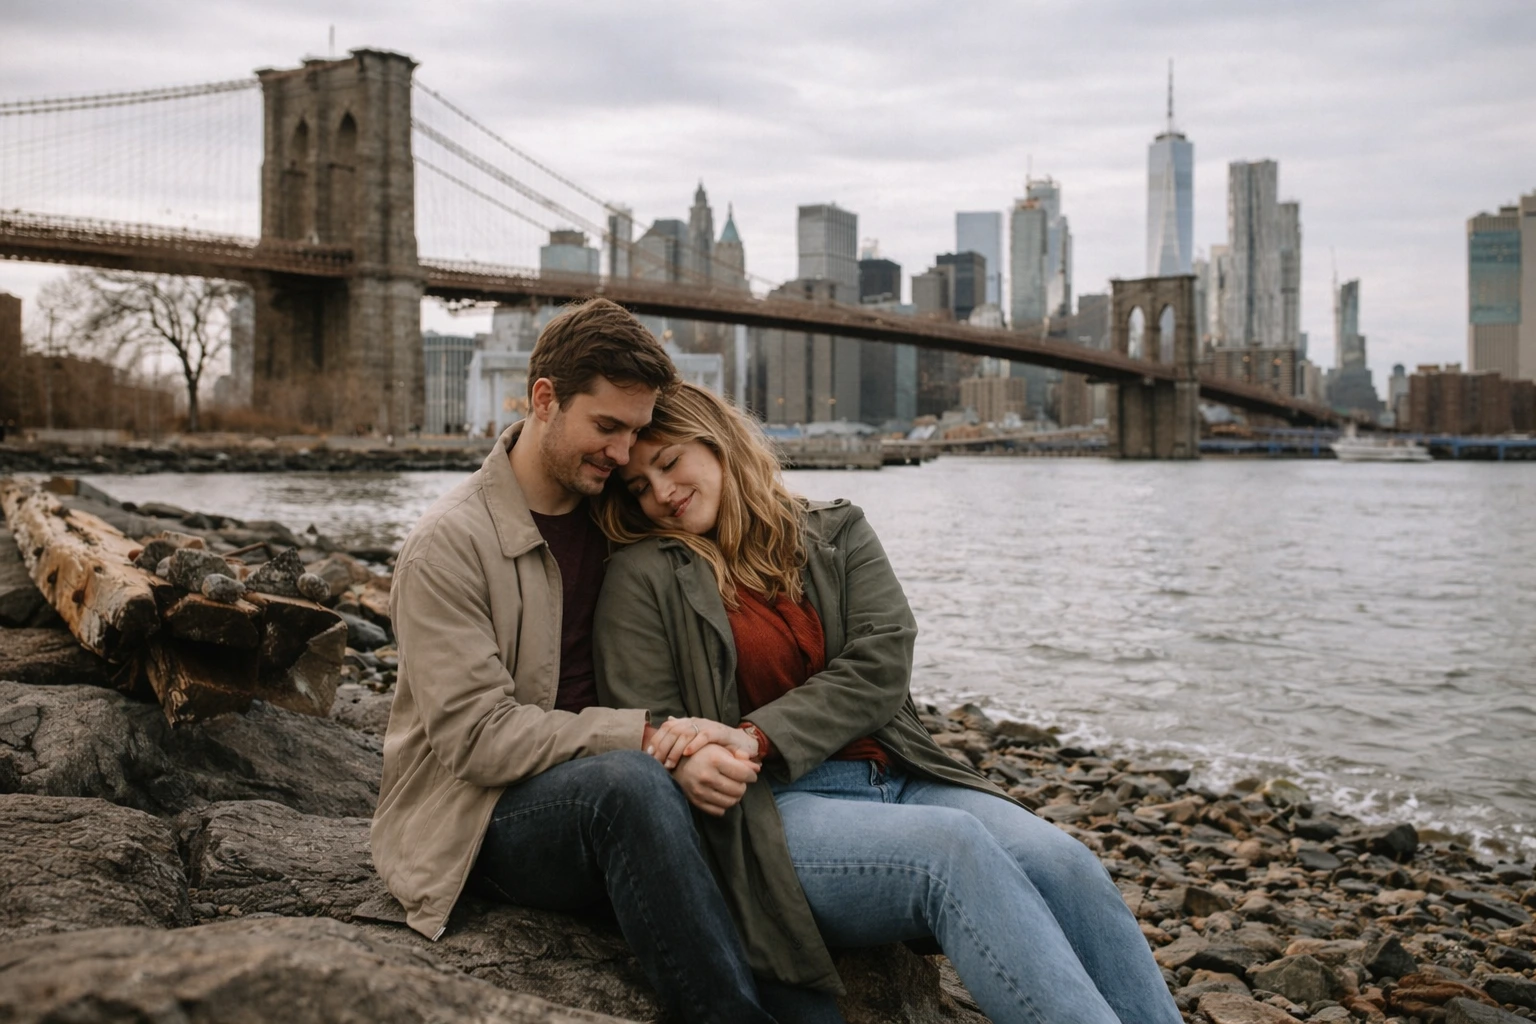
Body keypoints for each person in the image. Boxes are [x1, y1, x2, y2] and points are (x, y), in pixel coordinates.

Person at [591, 382, 1184, 1024]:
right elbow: (651, 721)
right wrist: (686, 760)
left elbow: (882, 664)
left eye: (669, 461)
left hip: (902, 779)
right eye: (639, 486)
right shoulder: (642, 575)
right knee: (950, 851)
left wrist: (754, 734)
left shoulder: (837, 531)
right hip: (774, 810)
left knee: (1065, 863)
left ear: (718, 440)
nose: (660, 492)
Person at [372, 299, 790, 1024]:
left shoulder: (618, 516)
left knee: (719, 801)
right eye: (608, 427)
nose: (625, 454)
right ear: (544, 400)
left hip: (621, 782)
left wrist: (706, 743)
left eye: (635, 432)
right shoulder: (449, 544)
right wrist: (648, 739)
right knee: (626, 787)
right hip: (480, 819)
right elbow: (479, 739)